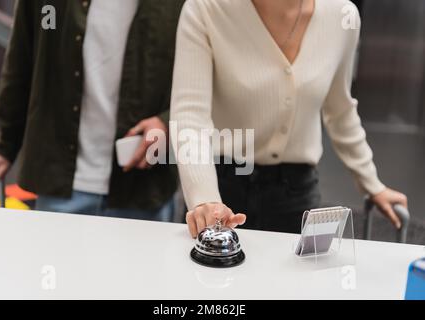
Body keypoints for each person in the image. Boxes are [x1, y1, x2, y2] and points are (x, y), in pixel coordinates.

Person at [170, 0, 408, 237]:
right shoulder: (206, 8)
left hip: (297, 193)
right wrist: (205, 199)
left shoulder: (342, 16)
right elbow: (190, 114)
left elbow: (340, 109)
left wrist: (372, 184)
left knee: (302, 274)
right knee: (210, 274)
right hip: (221, 189)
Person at [0, 0, 185, 220]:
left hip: (145, 188)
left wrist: (167, 121)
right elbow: (22, 58)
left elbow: (208, 80)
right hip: (62, 185)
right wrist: (5, 146)